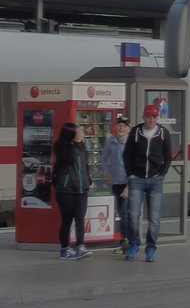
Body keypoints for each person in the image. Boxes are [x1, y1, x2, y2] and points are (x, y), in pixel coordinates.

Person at [122, 104, 173, 262]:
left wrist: (162, 174)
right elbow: (126, 155)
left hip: (155, 180)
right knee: (132, 215)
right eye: (148, 116)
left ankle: (151, 248)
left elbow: (168, 156)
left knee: (154, 217)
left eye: (154, 117)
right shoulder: (135, 132)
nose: (151, 120)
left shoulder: (163, 133)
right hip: (136, 179)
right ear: (143, 117)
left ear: (158, 118)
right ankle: (134, 244)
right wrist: (130, 174)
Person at [51, 122, 93, 260]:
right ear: (71, 134)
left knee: (80, 218)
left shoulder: (81, 146)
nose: (81, 133)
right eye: (78, 131)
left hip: (82, 189)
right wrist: (74, 144)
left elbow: (85, 165)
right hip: (66, 189)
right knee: (67, 220)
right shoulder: (62, 147)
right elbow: (69, 159)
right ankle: (64, 248)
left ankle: (80, 246)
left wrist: (88, 180)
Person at [100, 113, 132, 255]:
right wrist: (108, 173)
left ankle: (129, 241)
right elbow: (104, 159)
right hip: (117, 183)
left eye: (123, 126)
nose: (121, 128)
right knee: (120, 212)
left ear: (128, 129)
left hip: (129, 183)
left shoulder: (132, 144)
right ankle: (125, 241)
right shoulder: (111, 142)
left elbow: (137, 165)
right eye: (119, 125)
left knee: (126, 213)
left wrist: (129, 186)